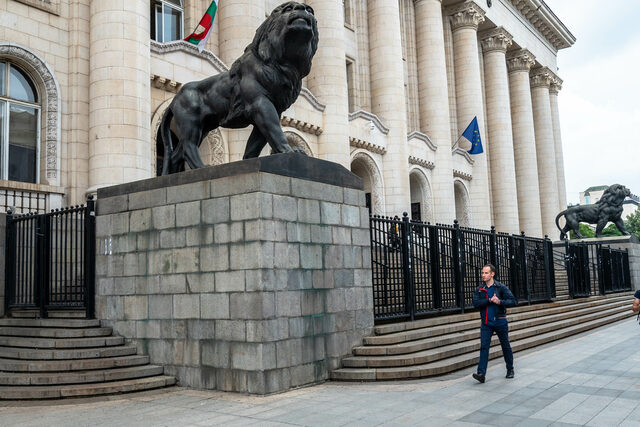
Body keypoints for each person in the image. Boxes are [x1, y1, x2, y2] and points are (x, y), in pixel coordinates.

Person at [471, 264, 517, 383]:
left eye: (486, 273)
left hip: (500, 321)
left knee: (505, 345)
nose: (483, 275)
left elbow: (513, 301)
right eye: (482, 273)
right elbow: (476, 303)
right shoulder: (480, 289)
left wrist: (499, 301)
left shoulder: (500, 287)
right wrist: (489, 300)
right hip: (486, 323)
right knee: (484, 347)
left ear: (492, 274)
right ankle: (481, 373)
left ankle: (510, 369)